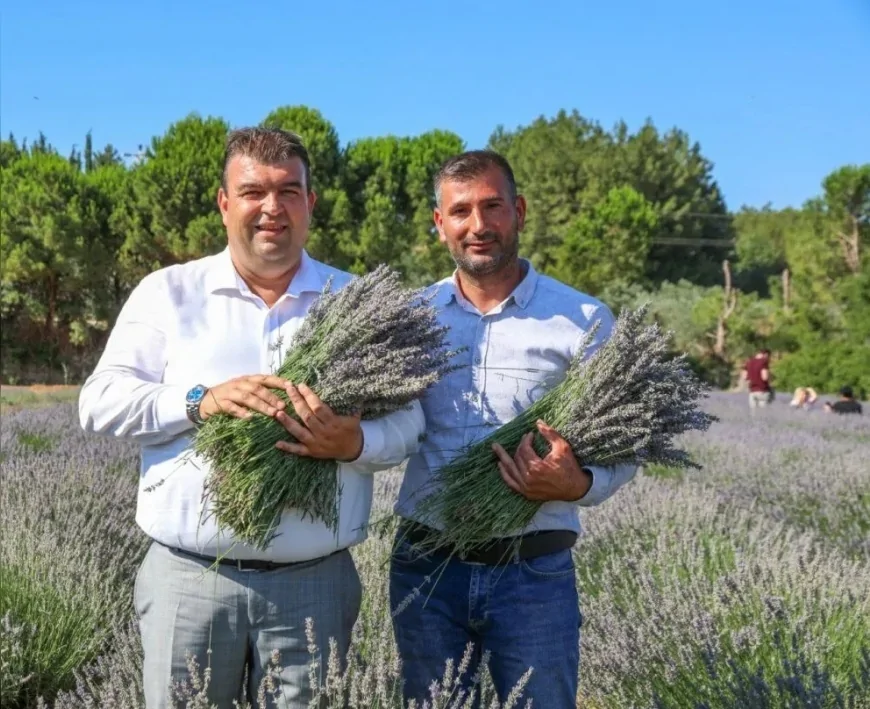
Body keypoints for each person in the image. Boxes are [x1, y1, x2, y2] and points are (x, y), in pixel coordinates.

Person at [78, 127, 425, 709]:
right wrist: (198, 401)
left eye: (289, 191)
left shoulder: (360, 303)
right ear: (223, 204)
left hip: (315, 583)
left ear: (310, 203)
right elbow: (99, 401)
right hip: (188, 581)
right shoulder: (168, 293)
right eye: (252, 192)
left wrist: (354, 441)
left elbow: (412, 424)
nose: (272, 208)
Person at [388, 150, 638, 708]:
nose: (478, 226)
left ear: (519, 211)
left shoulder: (584, 320)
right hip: (427, 569)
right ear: (439, 224)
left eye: (492, 206)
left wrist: (576, 484)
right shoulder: (410, 319)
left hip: (533, 575)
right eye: (460, 211)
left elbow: (627, 448)